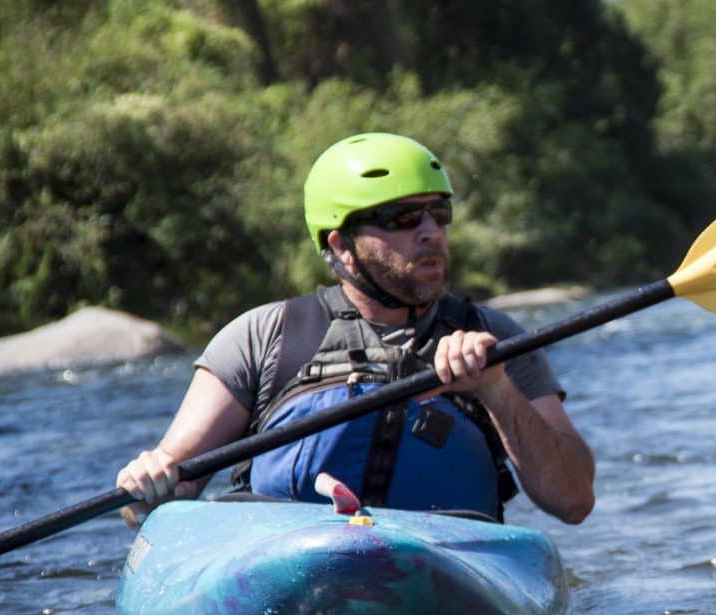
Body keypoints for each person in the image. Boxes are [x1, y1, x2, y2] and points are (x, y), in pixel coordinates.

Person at [117, 132, 595, 523]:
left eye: (439, 213)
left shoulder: (496, 339)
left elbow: (574, 501)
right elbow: (168, 492)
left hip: (442, 576)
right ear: (341, 244)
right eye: (403, 218)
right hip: (288, 572)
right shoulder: (264, 338)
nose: (431, 232)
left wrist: (495, 389)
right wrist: (148, 486)